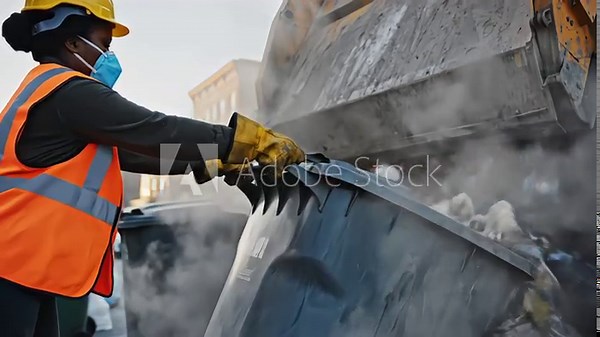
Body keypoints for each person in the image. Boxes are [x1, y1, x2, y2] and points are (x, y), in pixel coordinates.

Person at [0, 1, 305, 336]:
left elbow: (144, 153)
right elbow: (154, 130)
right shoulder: (70, 94)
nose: (107, 57)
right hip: (12, 266)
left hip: (21, 267)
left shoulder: (42, 93)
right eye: (104, 45)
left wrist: (214, 162)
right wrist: (245, 140)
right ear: (72, 42)